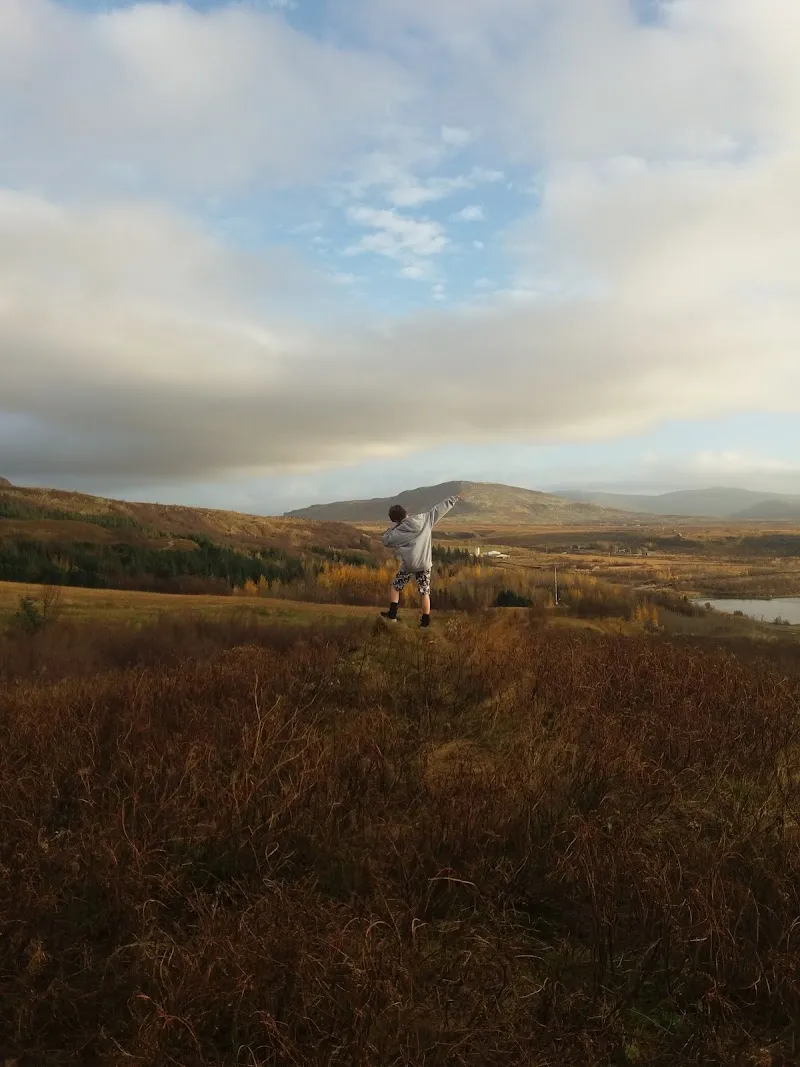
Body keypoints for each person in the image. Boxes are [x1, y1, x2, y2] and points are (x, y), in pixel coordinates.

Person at [380, 494, 459, 627]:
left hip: (409, 565)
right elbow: (439, 509)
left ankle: (392, 615)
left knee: (396, 586)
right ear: (406, 512)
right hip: (424, 564)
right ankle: (425, 623)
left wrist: (394, 528)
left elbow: (386, 540)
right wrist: (453, 499)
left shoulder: (398, 531)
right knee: (425, 591)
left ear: (395, 520)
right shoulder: (425, 519)